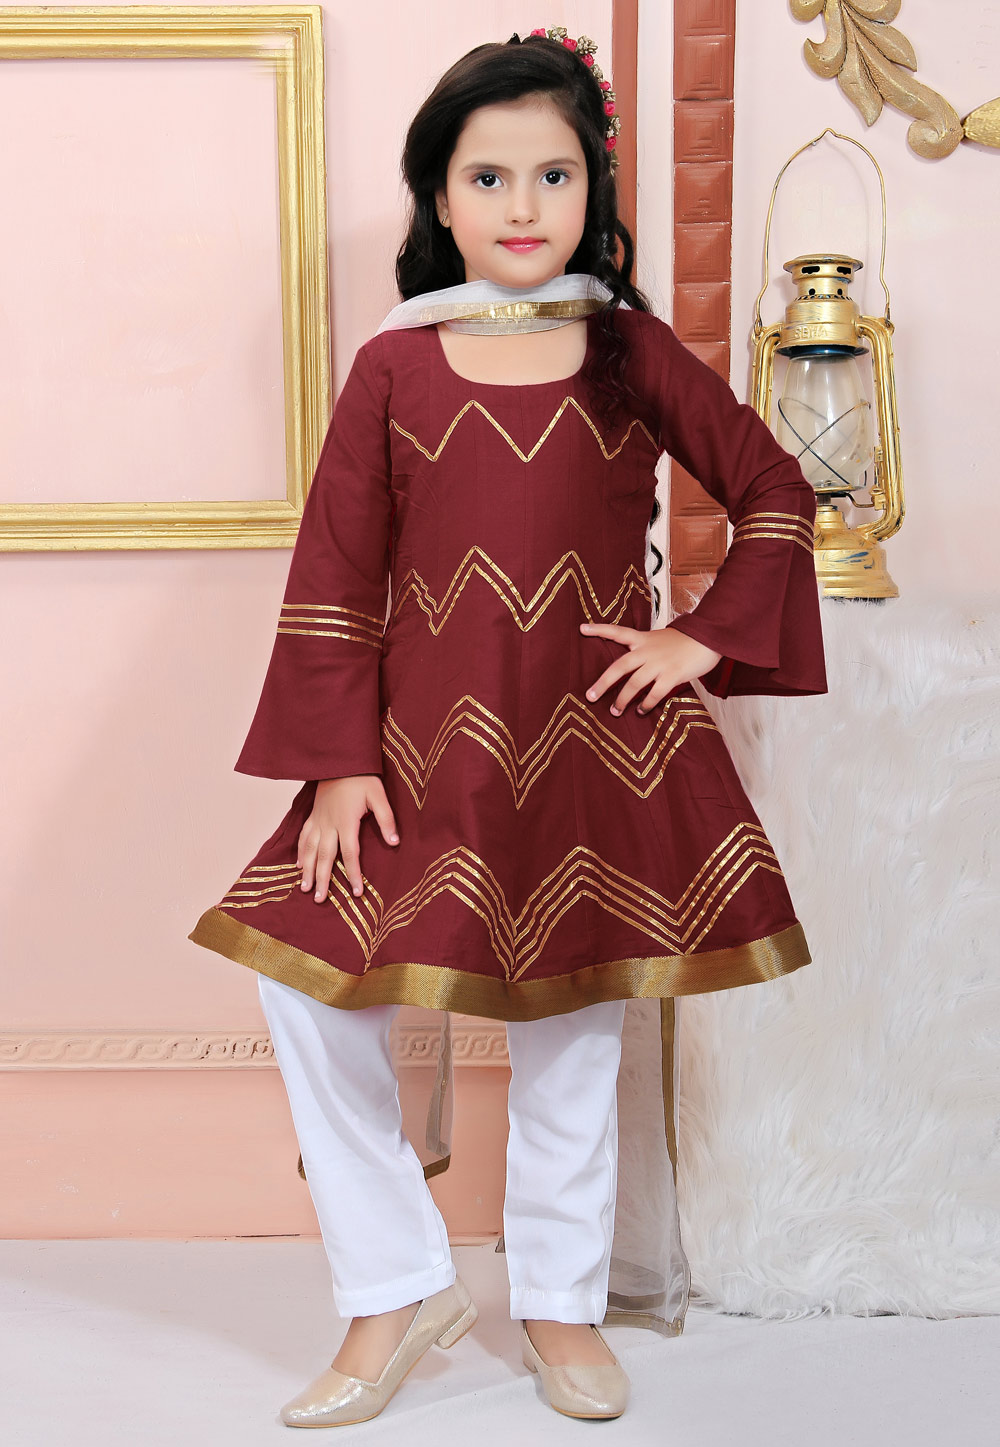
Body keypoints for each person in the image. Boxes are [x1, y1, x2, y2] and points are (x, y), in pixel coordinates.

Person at [188, 25, 828, 1428]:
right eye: (489, 178)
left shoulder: (628, 352)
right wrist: (336, 765)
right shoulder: (394, 368)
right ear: (439, 195)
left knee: (573, 1035)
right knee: (302, 984)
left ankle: (558, 1304)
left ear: (595, 190)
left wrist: (700, 637)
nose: (525, 207)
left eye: (555, 175)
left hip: (592, 751)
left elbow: (775, 488)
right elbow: (337, 569)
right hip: (417, 754)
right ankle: (394, 1288)